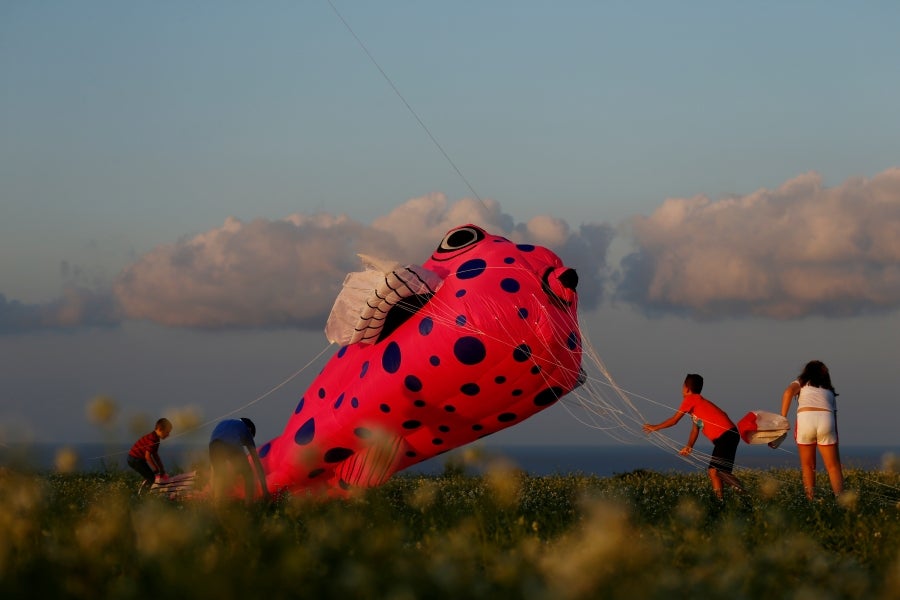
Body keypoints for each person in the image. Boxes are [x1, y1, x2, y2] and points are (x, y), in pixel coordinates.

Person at [643, 374, 744, 500]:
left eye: (682, 386)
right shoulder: (697, 404)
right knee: (717, 472)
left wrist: (655, 427)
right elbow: (695, 430)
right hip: (729, 435)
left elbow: (674, 420)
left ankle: (740, 496)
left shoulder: (691, 400)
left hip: (726, 435)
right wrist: (689, 446)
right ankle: (722, 501)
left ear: (686, 389)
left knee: (716, 471)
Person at [779, 360, 843, 500]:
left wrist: (783, 418)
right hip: (827, 419)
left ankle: (810, 500)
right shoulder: (829, 391)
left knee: (808, 465)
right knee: (833, 466)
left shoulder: (801, 382)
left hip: (806, 418)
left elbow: (788, 392)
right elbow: (834, 416)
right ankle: (841, 501)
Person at [209, 417, 270, 505]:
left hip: (213, 446)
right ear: (250, 430)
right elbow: (256, 462)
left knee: (219, 476)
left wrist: (212, 489)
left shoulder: (224, 423)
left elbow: (213, 469)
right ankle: (249, 507)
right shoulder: (246, 429)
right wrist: (265, 490)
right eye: (244, 443)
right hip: (231, 445)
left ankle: (217, 506)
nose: (243, 444)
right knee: (248, 474)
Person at [128, 418, 172, 492]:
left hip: (136, 459)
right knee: (151, 477)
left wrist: (161, 468)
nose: (168, 435)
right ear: (160, 429)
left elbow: (155, 455)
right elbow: (147, 456)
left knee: (149, 476)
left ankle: (144, 489)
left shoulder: (156, 438)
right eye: (167, 432)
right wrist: (156, 470)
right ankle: (142, 495)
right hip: (135, 459)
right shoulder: (152, 439)